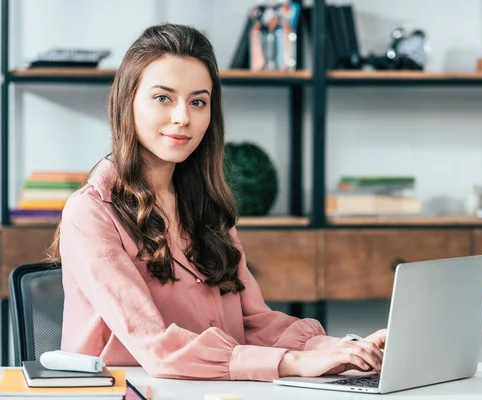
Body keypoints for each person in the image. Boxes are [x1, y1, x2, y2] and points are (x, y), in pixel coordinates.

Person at [47, 23, 386, 382]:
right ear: (126, 102)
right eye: (163, 98)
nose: (183, 117)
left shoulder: (205, 206)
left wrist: (344, 349)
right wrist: (293, 363)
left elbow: (254, 323)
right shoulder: (91, 212)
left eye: (198, 102)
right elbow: (156, 348)